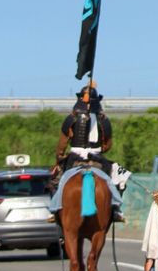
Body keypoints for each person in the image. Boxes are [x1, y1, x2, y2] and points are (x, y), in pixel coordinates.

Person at [53, 84, 125, 223]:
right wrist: (99, 150)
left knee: (58, 181)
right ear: (97, 101)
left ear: (80, 99)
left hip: (74, 157)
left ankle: (55, 210)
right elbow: (107, 145)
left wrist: (60, 157)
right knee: (119, 177)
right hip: (97, 158)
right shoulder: (104, 120)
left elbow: (62, 144)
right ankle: (116, 209)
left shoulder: (71, 118)